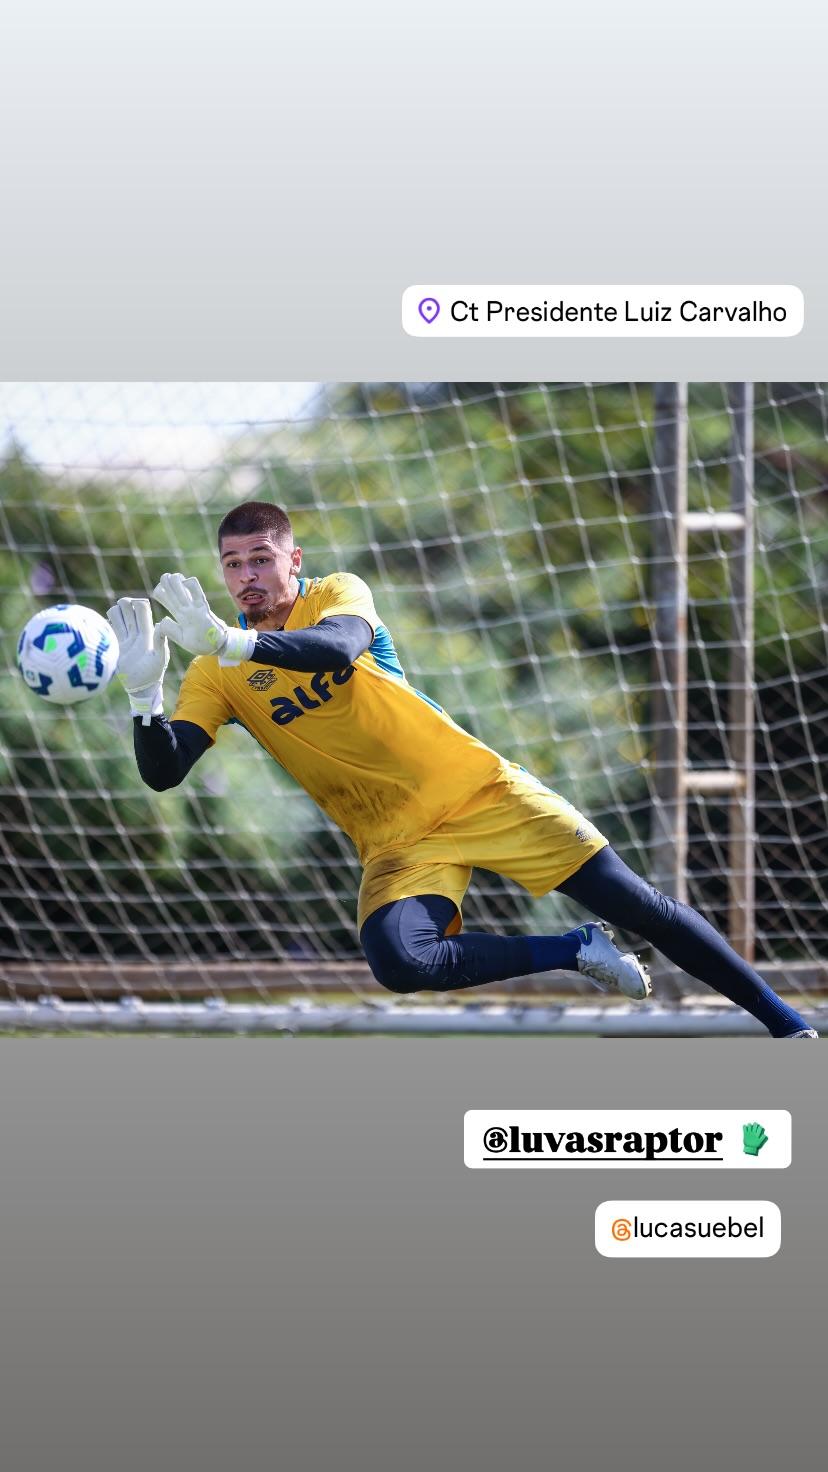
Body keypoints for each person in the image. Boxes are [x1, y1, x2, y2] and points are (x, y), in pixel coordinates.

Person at [107, 500, 818, 1038]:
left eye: (261, 558)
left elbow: (334, 650)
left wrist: (234, 641)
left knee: (640, 906)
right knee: (401, 963)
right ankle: (574, 950)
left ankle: (788, 1025)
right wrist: (146, 695)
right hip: (398, 842)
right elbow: (165, 771)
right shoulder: (215, 670)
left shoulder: (334, 595)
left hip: (479, 791)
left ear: (295, 560)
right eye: (233, 564)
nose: (246, 576)